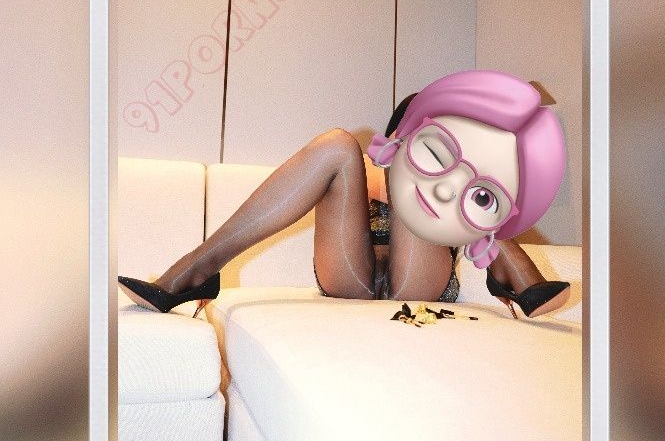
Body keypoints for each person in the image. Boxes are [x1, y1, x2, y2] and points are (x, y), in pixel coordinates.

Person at [118, 70, 571, 319]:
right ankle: (200, 267)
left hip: (420, 284)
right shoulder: (360, 169)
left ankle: (515, 279)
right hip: (350, 280)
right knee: (336, 142)